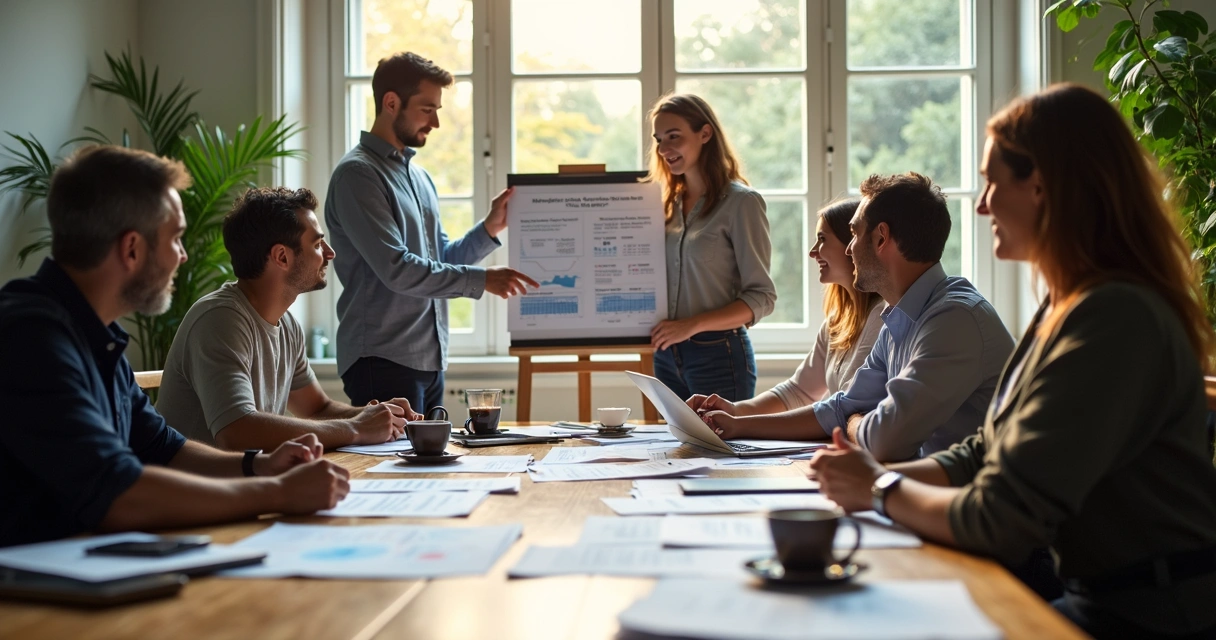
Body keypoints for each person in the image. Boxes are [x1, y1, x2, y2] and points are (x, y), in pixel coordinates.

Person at [810, 83, 1216, 639]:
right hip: (1102, 596)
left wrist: (878, 489)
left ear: (1043, 188)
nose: (981, 205)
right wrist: (871, 477)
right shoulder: (1066, 305)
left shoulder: (1115, 317)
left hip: (1145, 614)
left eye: (992, 184)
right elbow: (987, 452)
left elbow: (997, 518)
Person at [0, 146, 349, 547]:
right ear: (132, 248)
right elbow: (116, 494)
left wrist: (263, 465)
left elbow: (165, 449)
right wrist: (279, 493)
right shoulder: (30, 336)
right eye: (176, 239)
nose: (183, 256)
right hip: (29, 593)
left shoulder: (96, 334)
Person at [702, 172, 1013, 461]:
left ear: (881, 238)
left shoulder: (953, 320)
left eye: (853, 233)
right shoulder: (899, 317)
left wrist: (852, 422)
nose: (849, 250)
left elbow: (884, 438)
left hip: (974, 505)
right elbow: (840, 408)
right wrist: (736, 426)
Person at [325, 52, 538, 413]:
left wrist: (490, 227)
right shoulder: (358, 176)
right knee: (392, 469)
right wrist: (482, 280)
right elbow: (398, 269)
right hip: (382, 359)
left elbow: (439, 260)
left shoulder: (420, 178)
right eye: (427, 109)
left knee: (429, 470)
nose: (436, 122)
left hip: (430, 359)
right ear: (391, 103)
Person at [157, 187, 423, 451]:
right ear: (282, 257)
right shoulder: (220, 320)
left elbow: (317, 409)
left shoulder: (286, 323)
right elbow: (236, 431)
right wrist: (355, 428)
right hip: (194, 489)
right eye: (318, 244)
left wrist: (375, 416)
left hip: (245, 484)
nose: (330, 253)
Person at [686, 197, 884, 417]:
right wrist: (733, 410)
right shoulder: (837, 321)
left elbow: (842, 411)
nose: (812, 252)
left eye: (822, 239)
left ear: (851, 243)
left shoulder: (880, 317)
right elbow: (798, 391)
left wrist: (742, 424)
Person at [646, 93, 777, 402]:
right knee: (671, 450)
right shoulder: (663, 207)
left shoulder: (742, 203)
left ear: (705, 134)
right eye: (659, 139)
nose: (664, 148)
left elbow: (762, 298)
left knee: (717, 449)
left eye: (674, 136)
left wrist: (691, 326)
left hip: (719, 357)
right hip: (665, 356)